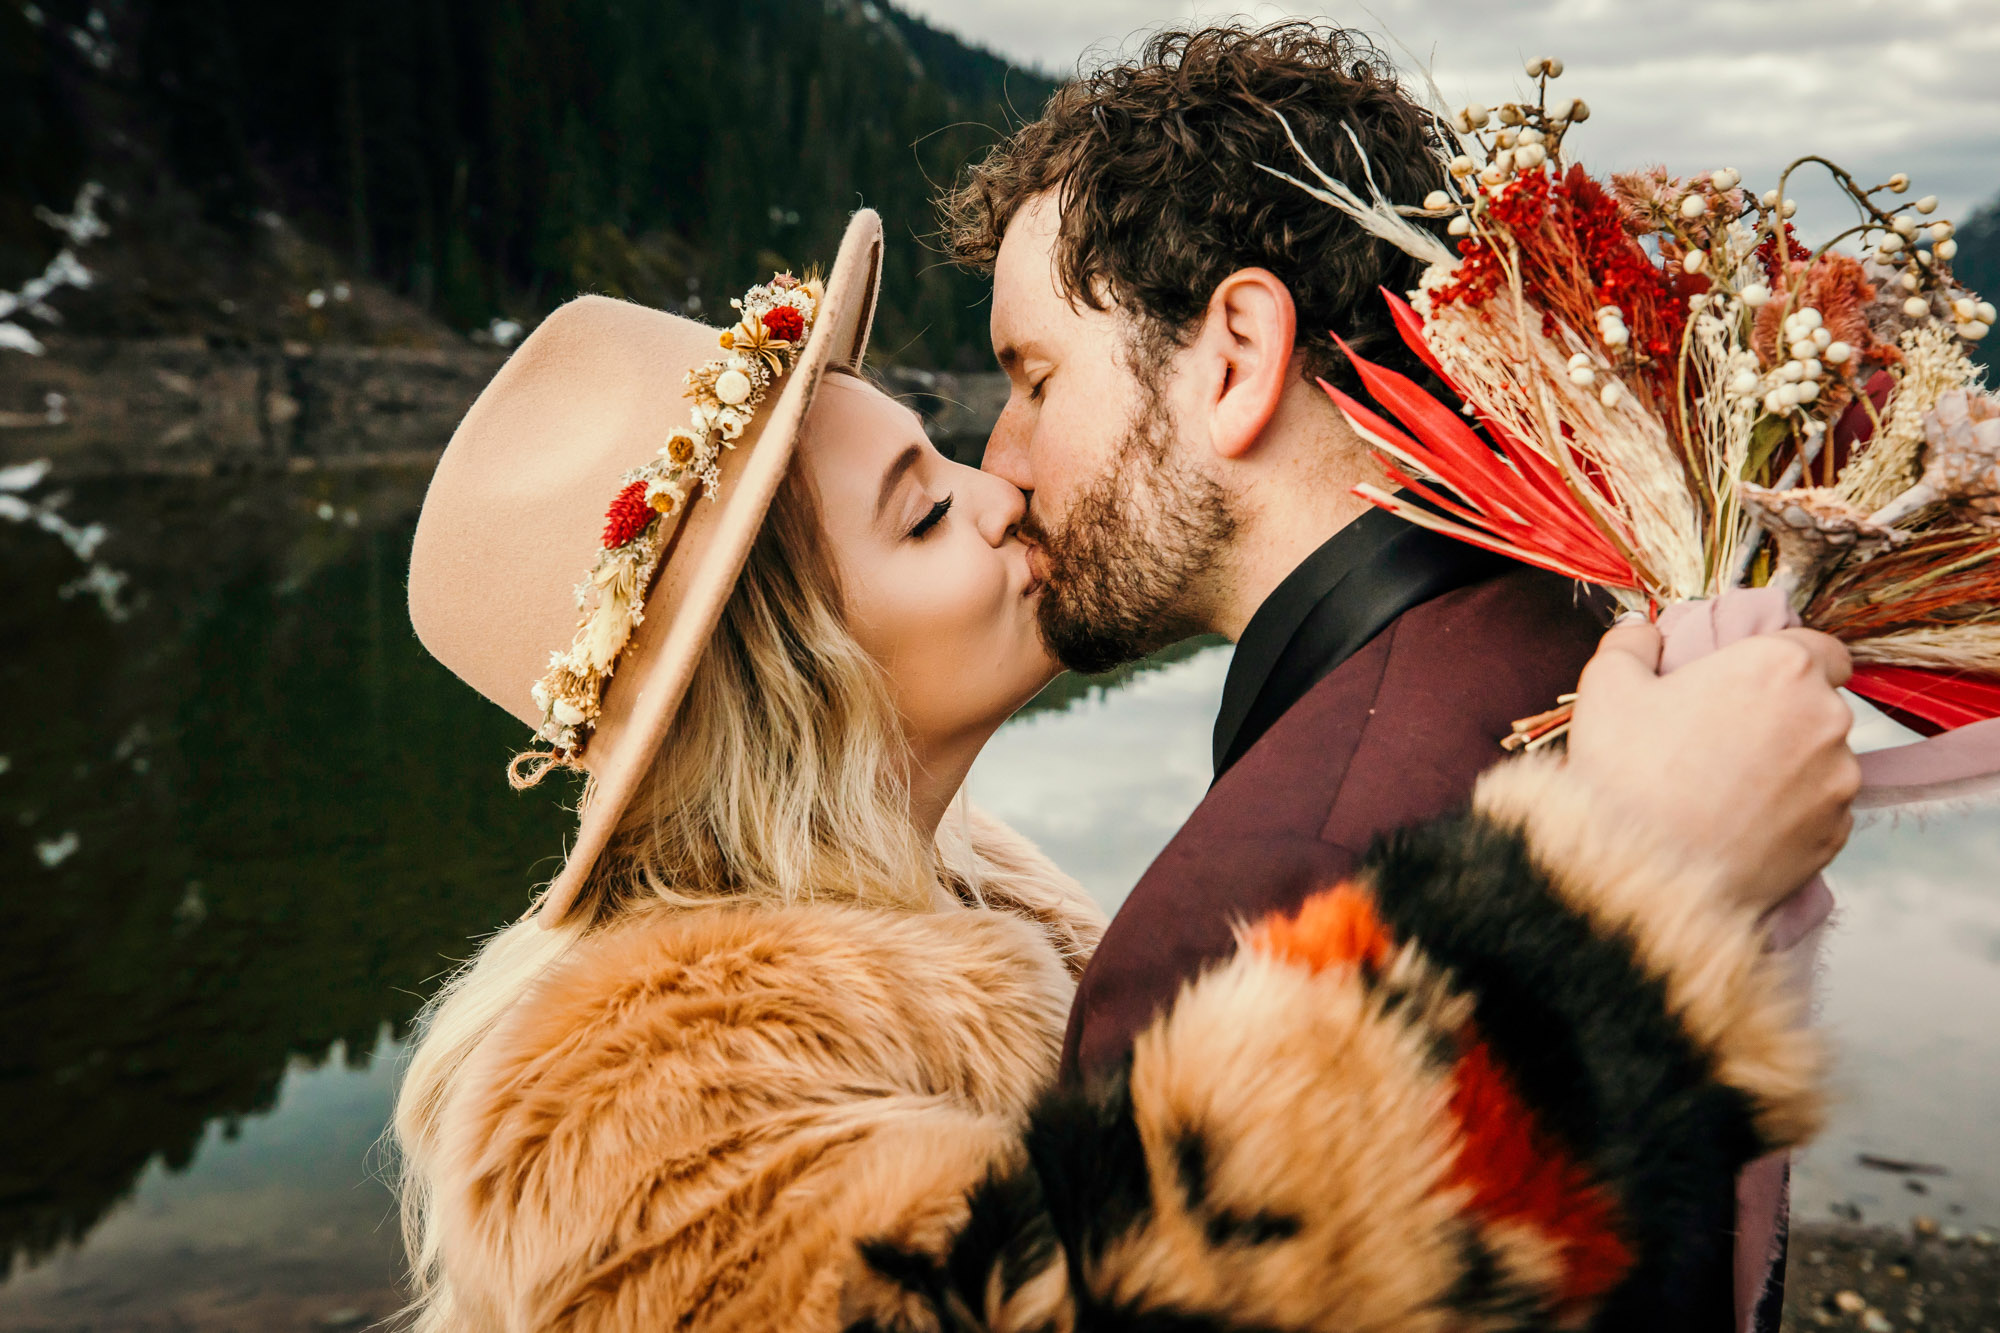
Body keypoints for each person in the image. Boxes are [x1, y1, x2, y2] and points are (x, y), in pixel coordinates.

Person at [391, 211, 1858, 1331]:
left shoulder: (969, 890)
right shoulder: (621, 1120)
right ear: (793, 683)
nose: (1004, 485)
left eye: (948, 449)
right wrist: (1623, 887)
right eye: (921, 517)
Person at [941, 23, 1828, 1326]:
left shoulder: (1252, 910)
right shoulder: (1594, 636)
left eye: (1035, 376)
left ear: (1235, 356)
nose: (1000, 458)